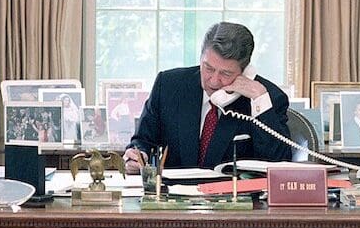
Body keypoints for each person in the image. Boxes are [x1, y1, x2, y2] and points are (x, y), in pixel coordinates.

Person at [123, 22, 291, 173]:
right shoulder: (169, 85)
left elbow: (279, 165)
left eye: (226, 73)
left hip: (237, 202)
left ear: (245, 70)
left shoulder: (268, 97)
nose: (214, 80)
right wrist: (138, 155)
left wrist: (259, 99)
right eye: (208, 68)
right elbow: (143, 140)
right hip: (174, 199)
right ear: (201, 57)